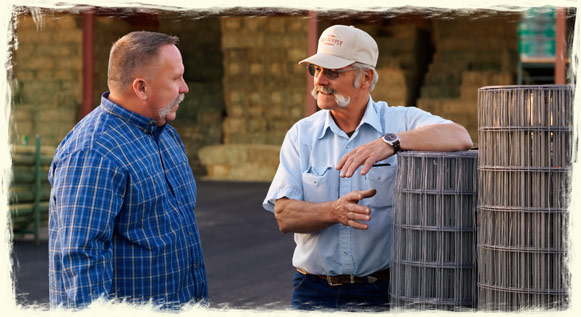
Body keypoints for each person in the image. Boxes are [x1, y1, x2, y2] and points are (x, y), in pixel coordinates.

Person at [262, 25, 473, 311]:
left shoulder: (398, 121)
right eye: (315, 69)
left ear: (366, 78)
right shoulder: (302, 135)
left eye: (332, 71)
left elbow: (460, 137)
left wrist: (391, 142)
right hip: (313, 291)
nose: (320, 80)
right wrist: (334, 211)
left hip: (381, 293)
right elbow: (284, 216)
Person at [48, 31, 208, 309]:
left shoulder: (166, 135)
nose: (185, 88)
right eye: (176, 78)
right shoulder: (93, 152)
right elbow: (81, 258)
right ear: (141, 88)